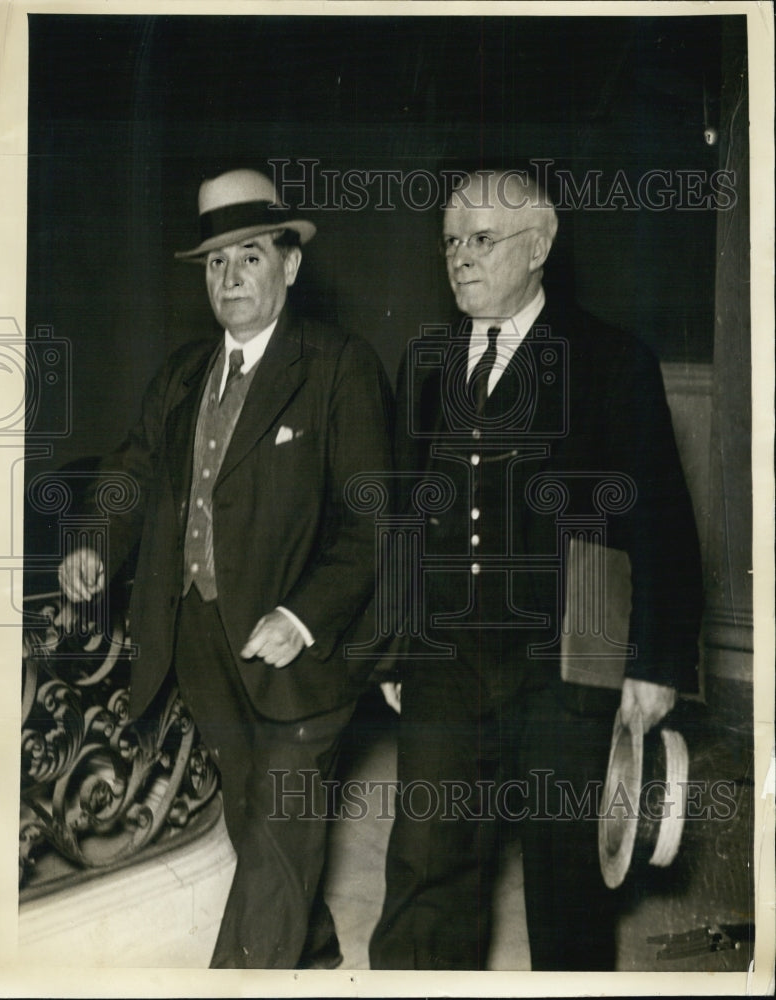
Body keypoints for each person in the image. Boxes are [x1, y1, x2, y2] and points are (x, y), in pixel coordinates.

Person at [369, 169, 703, 970]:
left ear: (540, 245)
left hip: (568, 655)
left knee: (566, 877)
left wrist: (654, 665)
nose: (460, 258)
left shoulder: (612, 361)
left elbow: (659, 521)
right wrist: (395, 646)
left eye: (481, 240)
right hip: (447, 657)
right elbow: (407, 516)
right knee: (425, 866)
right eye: (451, 241)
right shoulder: (428, 362)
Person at [58, 168, 393, 968]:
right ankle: (308, 961)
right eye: (215, 262)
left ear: (291, 265)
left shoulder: (337, 366)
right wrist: (94, 544)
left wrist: (302, 615)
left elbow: (374, 522)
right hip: (201, 644)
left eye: (248, 256)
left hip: (303, 654)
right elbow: (131, 474)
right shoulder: (183, 375)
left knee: (277, 840)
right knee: (261, 829)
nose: (230, 278)